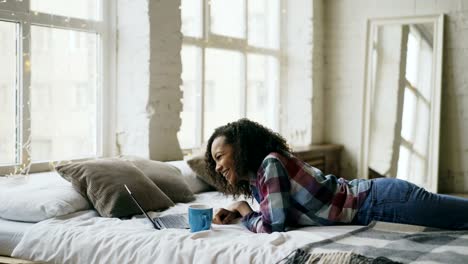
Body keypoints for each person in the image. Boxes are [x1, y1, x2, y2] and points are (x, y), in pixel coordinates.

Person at [205, 118, 468, 233]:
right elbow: (275, 215)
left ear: (240, 149)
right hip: (376, 203)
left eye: (220, 157)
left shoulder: (271, 165)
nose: (217, 167)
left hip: (381, 201)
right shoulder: (256, 182)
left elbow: (273, 226)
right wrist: (245, 207)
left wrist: (242, 210)